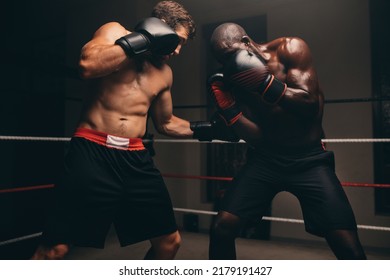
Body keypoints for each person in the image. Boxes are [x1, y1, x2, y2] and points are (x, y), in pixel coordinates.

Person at [31, 0, 205, 260]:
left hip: (136, 159)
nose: (178, 51)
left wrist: (211, 129)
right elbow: (87, 66)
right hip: (91, 152)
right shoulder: (114, 32)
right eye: (176, 41)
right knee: (55, 249)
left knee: (169, 242)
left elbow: (166, 123)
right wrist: (144, 40)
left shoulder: (165, 73)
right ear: (159, 28)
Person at [207, 22, 367, 260]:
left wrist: (264, 84)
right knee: (222, 227)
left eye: (231, 56)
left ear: (247, 43)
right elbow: (256, 136)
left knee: (346, 244)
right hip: (266, 159)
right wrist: (229, 111)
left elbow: (309, 105)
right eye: (222, 60)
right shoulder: (232, 78)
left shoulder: (291, 48)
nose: (228, 65)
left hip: (310, 159)